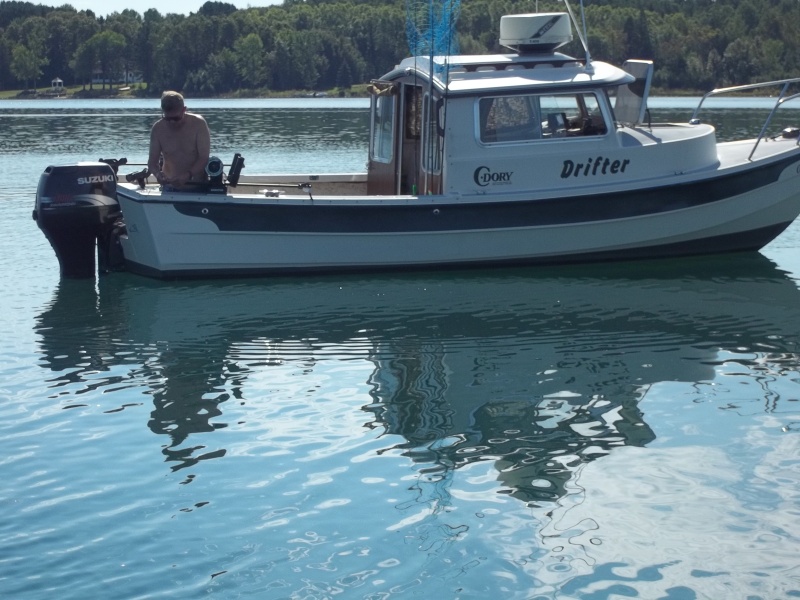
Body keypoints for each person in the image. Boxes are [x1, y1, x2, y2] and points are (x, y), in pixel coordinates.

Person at [147, 91, 211, 188]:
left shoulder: (198, 124)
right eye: (167, 119)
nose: (172, 122)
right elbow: (152, 162)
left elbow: (204, 158)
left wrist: (187, 175)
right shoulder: (157, 129)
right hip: (169, 187)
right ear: (163, 112)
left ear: (184, 110)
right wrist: (157, 174)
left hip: (197, 185)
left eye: (176, 118)